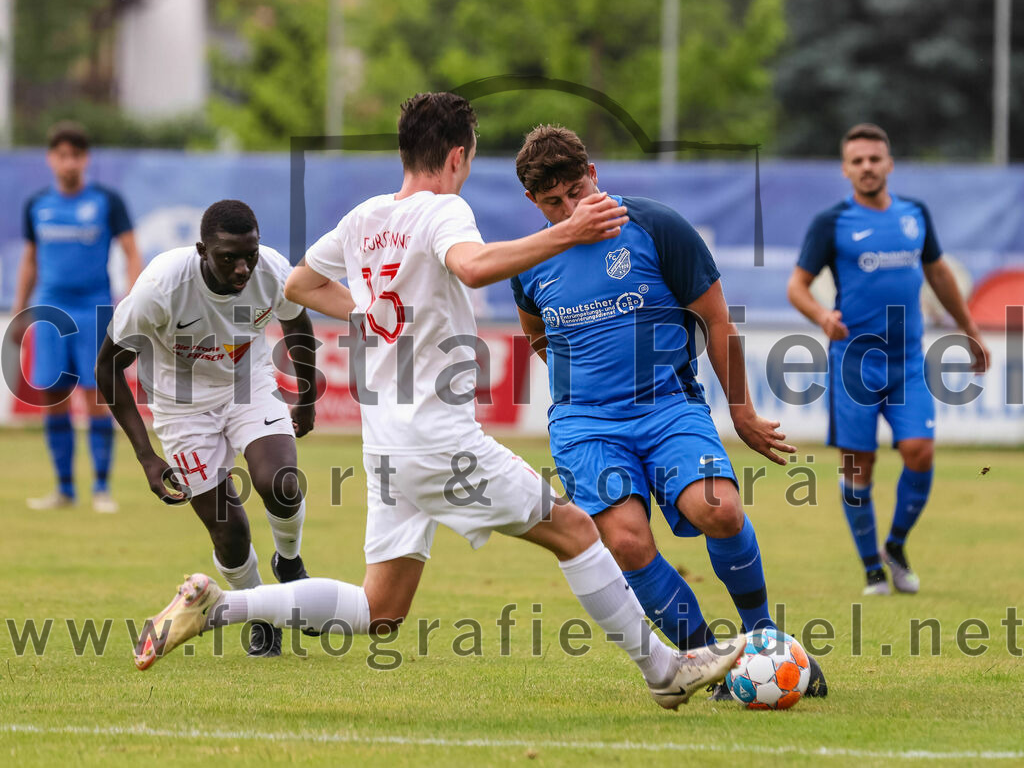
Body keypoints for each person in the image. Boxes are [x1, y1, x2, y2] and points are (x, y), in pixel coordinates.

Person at [132, 92, 745, 709]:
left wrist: (365, 311)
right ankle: (664, 669)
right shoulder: (444, 210)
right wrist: (568, 232)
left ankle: (220, 604)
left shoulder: (366, 217)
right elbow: (474, 268)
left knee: (381, 608)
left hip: (389, 444)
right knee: (578, 531)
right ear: (459, 154)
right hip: (439, 439)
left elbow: (300, 284)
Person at [510, 125, 825, 699]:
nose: (569, 207)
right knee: (627, 543)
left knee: (721, 510)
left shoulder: (657, 227)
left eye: (576, 190)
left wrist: (744, 413)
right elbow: (537, 334)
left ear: (595, 176)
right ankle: (715, 665)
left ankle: (764, 638)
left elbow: (718, 322)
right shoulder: (530, 263)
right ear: (533, 203)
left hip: (668, 406)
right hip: (586, 424)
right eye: (553, 202)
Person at [97, 199, 318, 657]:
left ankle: (290, 563)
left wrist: (307, 398)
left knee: (280, 480)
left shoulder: (271, 270)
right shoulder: (161, 287)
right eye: (228, 258)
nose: (242, 269)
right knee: (229, 530)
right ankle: (263, 615)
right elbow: (106, 369)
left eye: (249, 254)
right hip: (181, 408)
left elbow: (298, 325)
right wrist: (146, 456)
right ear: (202, 250)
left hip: (248, 385)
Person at [787, 123, 989, 595]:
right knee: (860, 467)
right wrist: (822, 315)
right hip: (854, 363)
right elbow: (796, 285)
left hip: (907, 363)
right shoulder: (831, 222)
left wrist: (970, 329)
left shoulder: (914, 215)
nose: (867, 167)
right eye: (857, 161)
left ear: (889, 163)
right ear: (845, 169)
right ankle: (871, 569)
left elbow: (938, 273)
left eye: (874, 159)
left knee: (920, 452)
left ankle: (894, 547)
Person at [11, 121, 142, 513]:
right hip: (51, 309)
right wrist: (20, 311)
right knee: (53, 395)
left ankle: (101, 489)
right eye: (61, 155)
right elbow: (30, 260)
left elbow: (132, 251)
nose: (68, 162)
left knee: (97, 395)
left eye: (75, 155)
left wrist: (135, 302)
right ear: (51, 159)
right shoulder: (38, 204)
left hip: (95, 307)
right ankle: (64, 489)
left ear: (85, 159)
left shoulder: (106, 201)